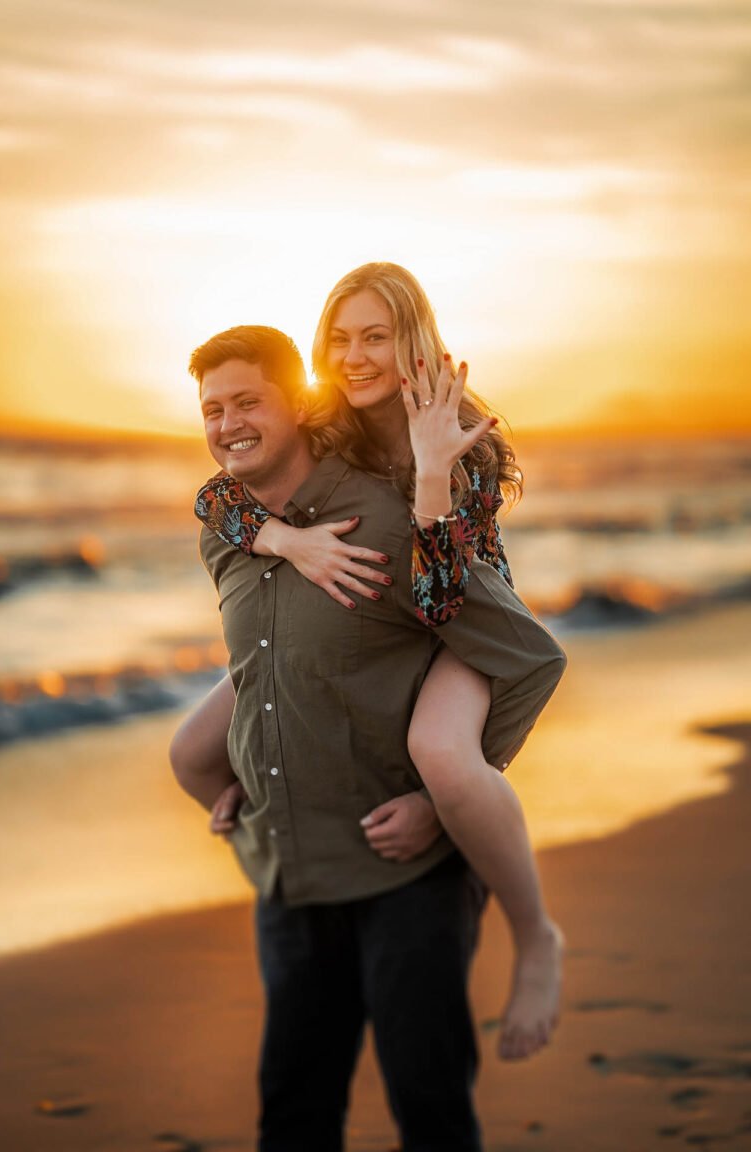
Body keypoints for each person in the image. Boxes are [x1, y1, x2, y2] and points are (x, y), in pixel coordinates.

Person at [175, 322, 565, 1152]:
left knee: (429, 1109)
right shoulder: (229, 523)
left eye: (249, 402)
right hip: (292, 883)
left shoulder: (396, 512)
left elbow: (523, 653)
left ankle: (537, 933)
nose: (227, 424)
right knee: (294, 1114)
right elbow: (215, 503)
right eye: (213, 408)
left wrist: (443, 796)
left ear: (300, 403)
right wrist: (250, 768)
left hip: (405, 880)